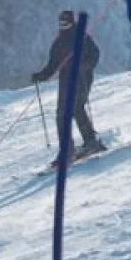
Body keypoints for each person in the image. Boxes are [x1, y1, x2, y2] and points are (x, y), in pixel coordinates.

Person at [31, 9, 104, 165]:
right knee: (68, 111)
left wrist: (85, 66)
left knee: (72, 109)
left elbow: (95, 54)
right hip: (66, 80)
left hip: (82, 79)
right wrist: (40, 76)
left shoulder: (82, 37)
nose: (63, 25)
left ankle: (78, 146)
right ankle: (83, 143)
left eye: (66, 22)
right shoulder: (59, 42)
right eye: (61, 22)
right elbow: (53, 65)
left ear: (71, 22)